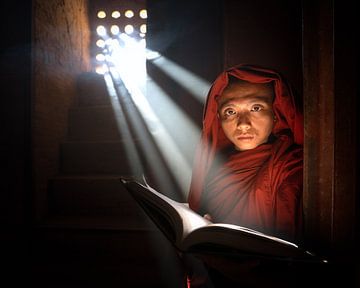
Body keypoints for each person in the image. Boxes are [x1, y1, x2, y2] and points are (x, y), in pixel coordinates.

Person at [184, 64, 304, 287]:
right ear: (218, 119)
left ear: (276, 115)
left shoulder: (288, 164)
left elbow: (286, 253)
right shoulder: (214, 170)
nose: (243, 124)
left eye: (256, 108)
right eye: (230, 112)